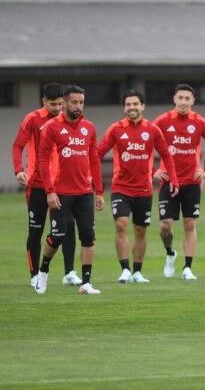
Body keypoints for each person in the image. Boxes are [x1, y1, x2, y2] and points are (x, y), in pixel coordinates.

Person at [98, 90, 179, 284]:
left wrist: (173, 180)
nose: (132, 107)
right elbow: (98, 154)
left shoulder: (152, 130)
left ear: (143, 106)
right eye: (128, 104)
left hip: (144, 189)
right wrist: (90, 178)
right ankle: (125, 269)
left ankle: (137, 272)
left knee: (140, 230)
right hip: (121, 188)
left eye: (135, 104)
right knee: (121, 225)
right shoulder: (116, 129)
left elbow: (166, 155)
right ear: (124, 107)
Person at [34, 85, 104, 295]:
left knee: (88, 236)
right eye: (74, 102)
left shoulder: (89, 128)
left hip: (84, 192)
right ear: (64, 103)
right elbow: (43, 160)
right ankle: (43, 271)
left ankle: (86, 283)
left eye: (81, 102)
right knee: (57, 236)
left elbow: (94, 159)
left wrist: (98, 191)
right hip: (60, 192)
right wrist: (49, 191)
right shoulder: (52, 127)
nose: (78, 106)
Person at [12, 82, 81, 288]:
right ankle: (34, 275)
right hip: (38, 184)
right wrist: (19, 170)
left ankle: (69, 272)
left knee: (68, 226)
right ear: (44, 101)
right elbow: (18, 145)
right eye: (53, 104)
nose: (58, 108)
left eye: (61, 104)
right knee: (36, 230)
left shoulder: (68, 120)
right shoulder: (33, 119)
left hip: (62, 185)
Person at [153, 84, 205, 281]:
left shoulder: (199, 122)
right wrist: (154, 170)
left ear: (193, 101)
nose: (183, 102)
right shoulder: (162, 121)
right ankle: (170, 253)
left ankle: (187, 268)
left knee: (190, 224)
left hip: (192, 183)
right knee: (165, 226)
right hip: (168, 182)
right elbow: (146, 144)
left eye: (187, 99)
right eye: (180, 98)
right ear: (174, 99)